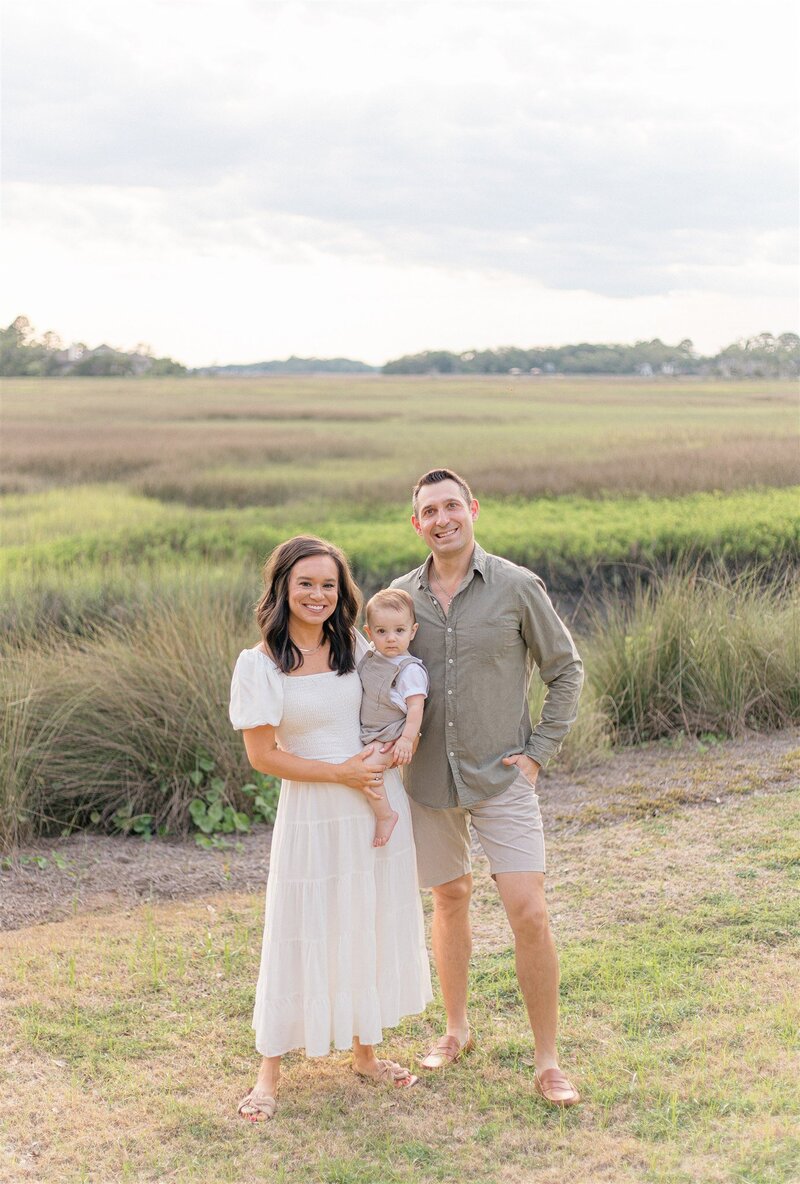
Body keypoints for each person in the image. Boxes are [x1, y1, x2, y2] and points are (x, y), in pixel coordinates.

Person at [390, 468, 584, 1107]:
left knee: (529, 911)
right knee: (449, 898)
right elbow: (374, 679)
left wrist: (537, 755)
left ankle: (548, 1060)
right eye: (429, 511)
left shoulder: (517, 586)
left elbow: (565, 670)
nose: (442, 518)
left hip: (503, 778)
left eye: (452, 506)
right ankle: (455, 1030)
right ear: (416, 523)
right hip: (427, 782)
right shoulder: (397, 600)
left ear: (472, 508)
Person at [229, 535, 432, 1121]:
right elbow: (264, 756)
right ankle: (268, 1071)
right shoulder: (261, 663)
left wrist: (399, 743)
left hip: (375, 799)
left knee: (364, 919)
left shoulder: (359, 646)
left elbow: (395, 699)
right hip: (316, 807)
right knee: (300, 925)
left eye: (329, 585)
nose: (318, 595)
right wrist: (338, 772)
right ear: (283, 589)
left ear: (342, 592)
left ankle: (366, 1053)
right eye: (306, 584)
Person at [357, 588, 429, 847]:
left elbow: (416, 709)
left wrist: (407, 740)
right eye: (381, 631)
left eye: (399, 631)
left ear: (413, 630)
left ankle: (385, 814)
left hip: (391, 736)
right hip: (371, 732)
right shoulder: (371, 658)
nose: (390, 639)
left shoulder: (409, 670)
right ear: (369, 633)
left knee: (369, 770)